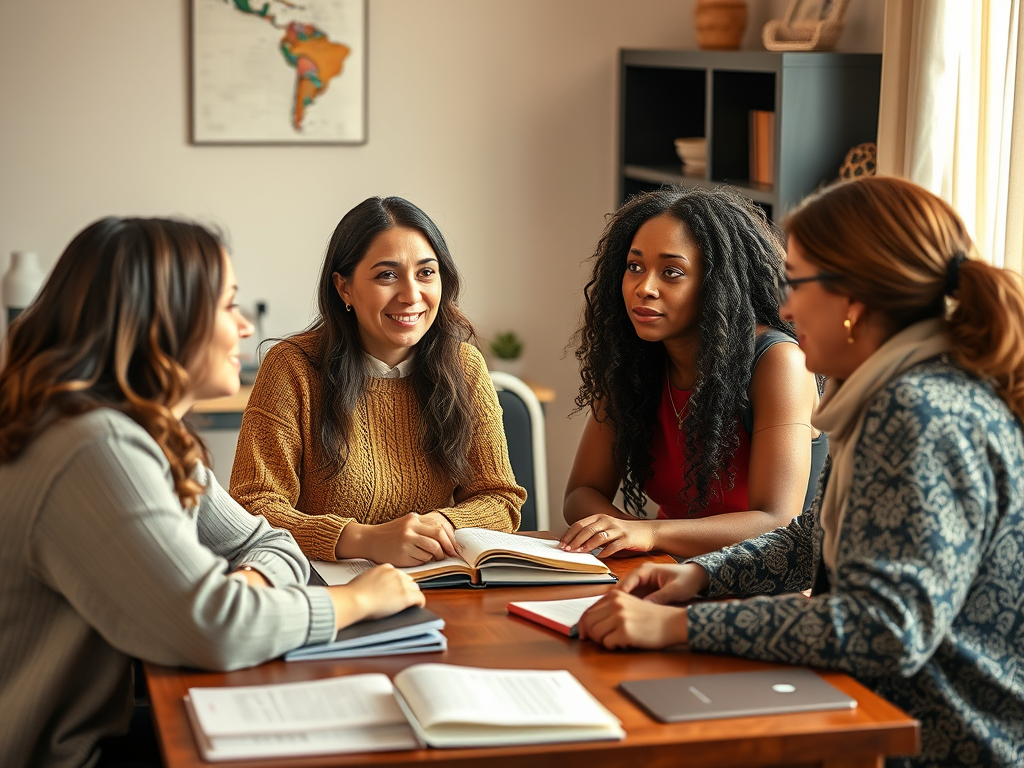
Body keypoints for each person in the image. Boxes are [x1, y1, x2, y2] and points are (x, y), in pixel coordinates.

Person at [578, 176, 1024, 768]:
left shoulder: (915, 411)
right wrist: (704, 577)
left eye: (797, 282)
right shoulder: (897, 390)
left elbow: (885, 630)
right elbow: (813, 536)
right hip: (891, 720)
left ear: (853, 300)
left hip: (941, 743)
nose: (784, 306)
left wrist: (680, 630)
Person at [0, 218, 425, 768]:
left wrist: (246, 590)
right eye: (228, 306)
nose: (246, 328)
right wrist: (360, 598)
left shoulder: (144, 432)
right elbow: (217, 628)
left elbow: (270, 542)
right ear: (162, 321)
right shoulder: (93, 446)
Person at [230, 196, 525, 567]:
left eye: (426, 272)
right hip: (328, 590)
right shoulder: (293, 367)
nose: (411, 295)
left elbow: (500, 498)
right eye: (387, 275)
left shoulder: (464, 367)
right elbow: (252, 507)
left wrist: (437, 526)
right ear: (344, 288)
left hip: (436, 585)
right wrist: (363, 540)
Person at [560, 186, 824, 560]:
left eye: (671, 272)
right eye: (635, 267)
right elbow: (581, 493)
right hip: (672, 573)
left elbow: (777, 521)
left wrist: (648, 534)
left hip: (770, 592)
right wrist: (627, 539)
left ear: (718, 284)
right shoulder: (633, 362)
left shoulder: (778, 361)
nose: (644, 287)